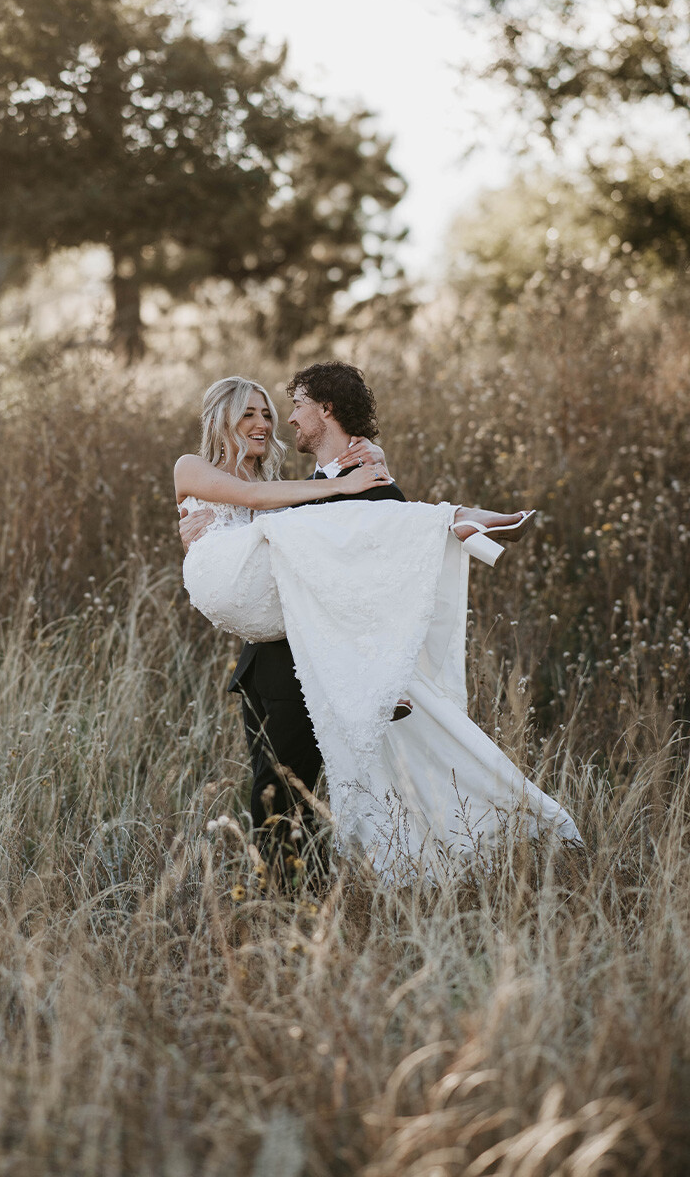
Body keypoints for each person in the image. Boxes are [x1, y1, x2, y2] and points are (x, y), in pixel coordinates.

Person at [176, 365, 581, 880]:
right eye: (249, 413)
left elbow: (360, 539)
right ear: (222, 419)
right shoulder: (209, 472)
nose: (266, 422)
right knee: (275, 790)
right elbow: (256, 522)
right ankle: (288, 899)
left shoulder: (289, 484)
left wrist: (357, 480)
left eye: (271, 413)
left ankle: (319, 892)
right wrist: (339, 487)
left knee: (309, 792)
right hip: (265, 664)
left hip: (312, 661)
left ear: (323, 410)